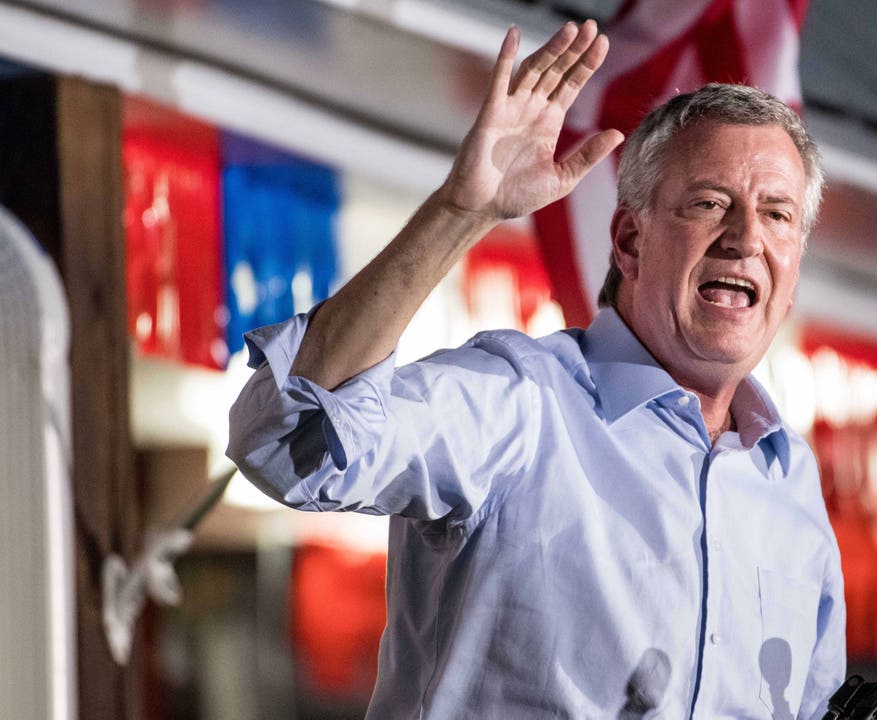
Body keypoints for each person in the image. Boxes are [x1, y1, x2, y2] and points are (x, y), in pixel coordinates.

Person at [228, 19, 845, 720]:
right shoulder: (519, 402)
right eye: (710, 204)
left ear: (794, 271)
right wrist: (459, 213)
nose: (745, 238)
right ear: (629, 240)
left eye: (777, 215)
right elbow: (289, 439)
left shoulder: (791, 483)